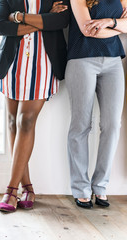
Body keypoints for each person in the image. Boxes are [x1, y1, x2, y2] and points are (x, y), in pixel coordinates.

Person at [0, 0, 70, 212]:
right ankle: (27, 187)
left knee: (25, 120)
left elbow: (62, 20)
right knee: (12, 123)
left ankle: (10, 190)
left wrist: (18, 17)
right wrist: (44, 19)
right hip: (13, 61)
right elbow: (0, 26)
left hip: (44, 61)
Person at [66, 0, 127, 209]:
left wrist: (107, 22)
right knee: (81, 125)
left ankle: (100, 186)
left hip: (114, 62)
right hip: (82, 59)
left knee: (112, 125)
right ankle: (80, 188)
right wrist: (118, 26)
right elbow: (87, 30)